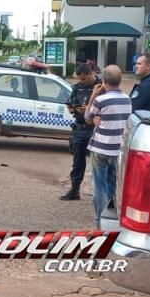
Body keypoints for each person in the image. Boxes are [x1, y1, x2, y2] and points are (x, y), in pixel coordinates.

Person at [85, 65, 132, 228]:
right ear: (120, 81)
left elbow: (87, 117)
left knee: (99, 186)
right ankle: (112, 219)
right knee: (113, 184)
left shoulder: (100, 99)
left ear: (104, 81)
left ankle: (99, 220)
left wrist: (93, 95)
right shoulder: (127, 99)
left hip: (100, 148)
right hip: (117, 149)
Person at [60, 63, 101, 201]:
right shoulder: (77, 87)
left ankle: (100, 194)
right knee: (77, 162)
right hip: (79, 129)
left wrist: (89, 110)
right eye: (80, 79)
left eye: (84, 79)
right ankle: (74, 190)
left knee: (98, 163)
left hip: (94, 130)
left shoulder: (101, 86)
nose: (82, 82)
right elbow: (71, 101)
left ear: (91, 74)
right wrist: (72, 108)